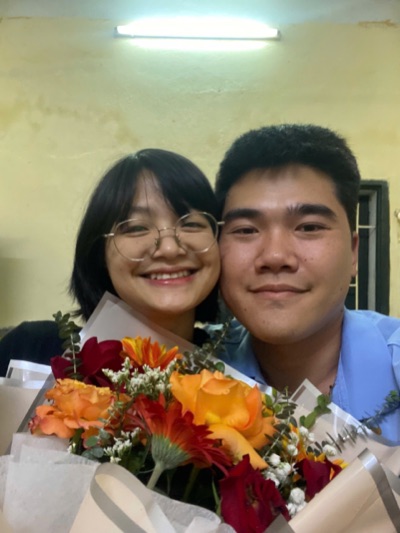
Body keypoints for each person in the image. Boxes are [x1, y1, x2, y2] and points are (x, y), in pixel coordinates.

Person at [215, 123, 400, 443]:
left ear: (353, 252)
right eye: (246, 230)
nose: (275, 256)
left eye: (309, 227)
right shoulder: (188, 368)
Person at [0, 149, 221, 375]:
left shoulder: (234, 376)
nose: (169, 249)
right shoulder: (29, 350)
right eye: (136, 228)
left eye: (191, 224)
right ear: (100, 253)